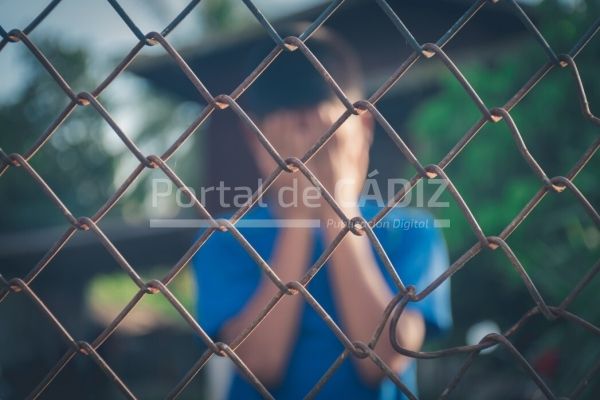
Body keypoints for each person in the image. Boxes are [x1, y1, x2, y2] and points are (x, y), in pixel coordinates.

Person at [192, 26, 451, 400]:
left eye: (325, 140)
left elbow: (384, 359)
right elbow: (260, 364)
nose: (307, 157)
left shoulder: (409, 230)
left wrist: (336, 207)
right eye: (287, 142)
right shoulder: (227, 237)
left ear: (362, 126)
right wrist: (299, 216)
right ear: (256, 141)